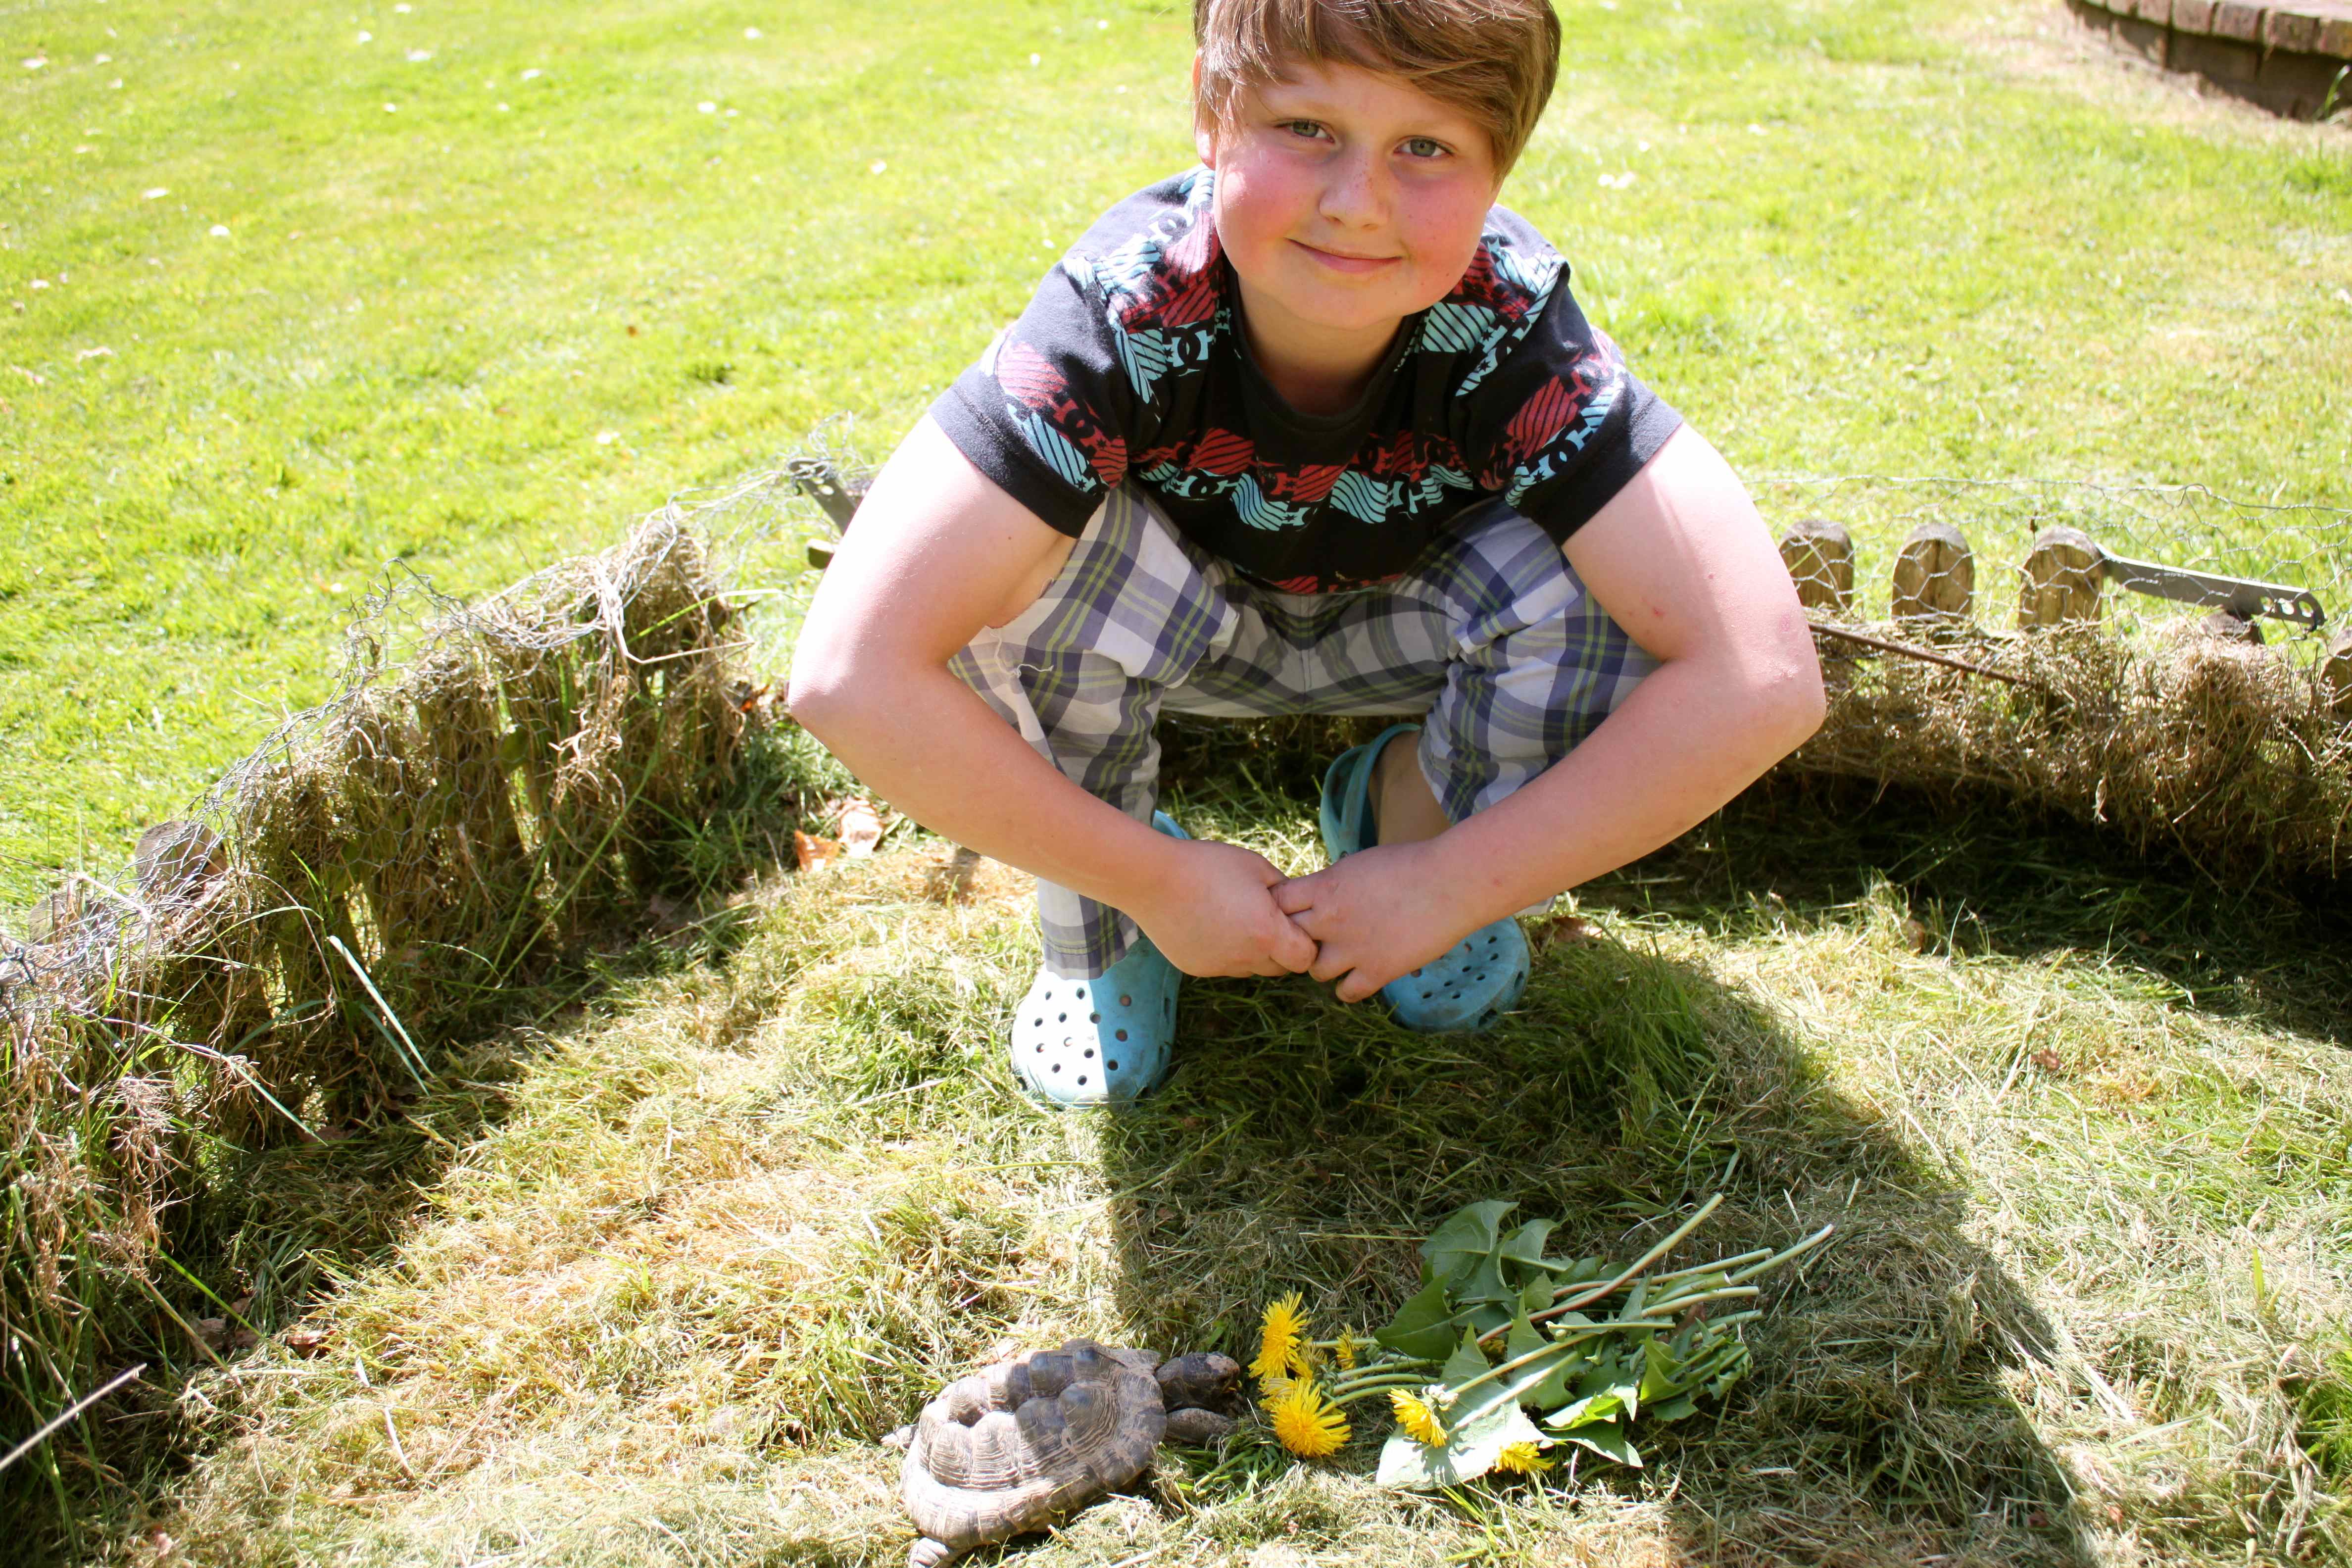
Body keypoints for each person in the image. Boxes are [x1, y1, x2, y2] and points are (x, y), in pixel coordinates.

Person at [787, 0, 1824, 1105]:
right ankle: (1107, 920)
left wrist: (1452, 882)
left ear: (1501, 167)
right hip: (1177, 633)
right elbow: (851, 670)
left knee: (1626, 584)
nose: (1356, 203)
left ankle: (1406, 824)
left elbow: (1762, 675)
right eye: (1306, 129)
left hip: (1406, 628)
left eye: (1426, 147)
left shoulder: (1514, 331)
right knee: (1000, 569)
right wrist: (1154, 879)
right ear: (1211, 111)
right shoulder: (1124, 310)